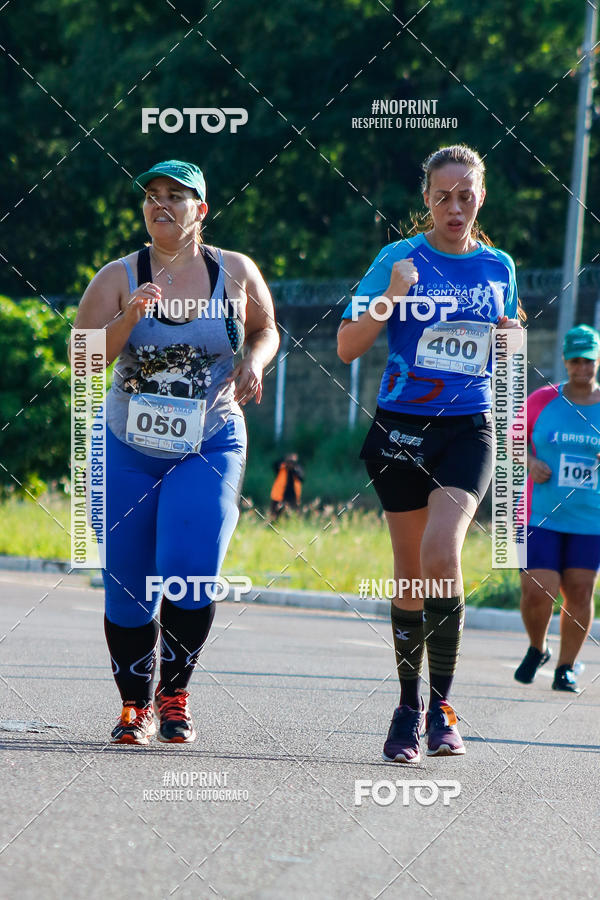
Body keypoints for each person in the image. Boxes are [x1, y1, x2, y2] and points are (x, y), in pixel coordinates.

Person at [71, 160, 279, 744]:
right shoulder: (117, 275)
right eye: (153, 196)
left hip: (208, 441)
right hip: (127, 445)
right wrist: (129, 315)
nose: (162, 204)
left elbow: (267, 328)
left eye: (176, 196)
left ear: (201, 210)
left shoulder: (233, 271)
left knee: (192, 569)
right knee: (128, 580)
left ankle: (175, 693)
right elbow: (83, 361)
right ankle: (133, 704)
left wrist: (254, 362)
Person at [337, 144, 523, 763]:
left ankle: (443, 707)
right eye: (443, 195)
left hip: (468, 427)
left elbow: (511, 355)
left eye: (466, 194)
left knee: (444, 551)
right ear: (425, 199)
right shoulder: (398, 258)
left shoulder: (499, 265)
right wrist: (391, 295)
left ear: (482, 197)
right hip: (401, 428)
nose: (455, 206)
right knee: (411, 572)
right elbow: (346, 345)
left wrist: (510, 342)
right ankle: (407, 705)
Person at [514, 324, 600, 693]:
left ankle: (566, 667)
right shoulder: (541, 400)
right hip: (540, 513)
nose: (582, 367)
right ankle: (538, 647)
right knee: (538, 590)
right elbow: (509, 440)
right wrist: (530, 462)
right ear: (565, 360)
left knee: (580, 591)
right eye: (576, 360)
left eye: (589, 361)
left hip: (590, 517)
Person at [270, 452, 304, 518]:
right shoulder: (281, 467)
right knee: (275, 516)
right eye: (290, 461)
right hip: (279, 496)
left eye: (292, 461)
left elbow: (302, 478)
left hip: (293, 497)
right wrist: (285, 461)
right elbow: (274, 465)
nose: (291, 463)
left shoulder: (298, 468)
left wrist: (294, 469)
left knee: (293, 516)